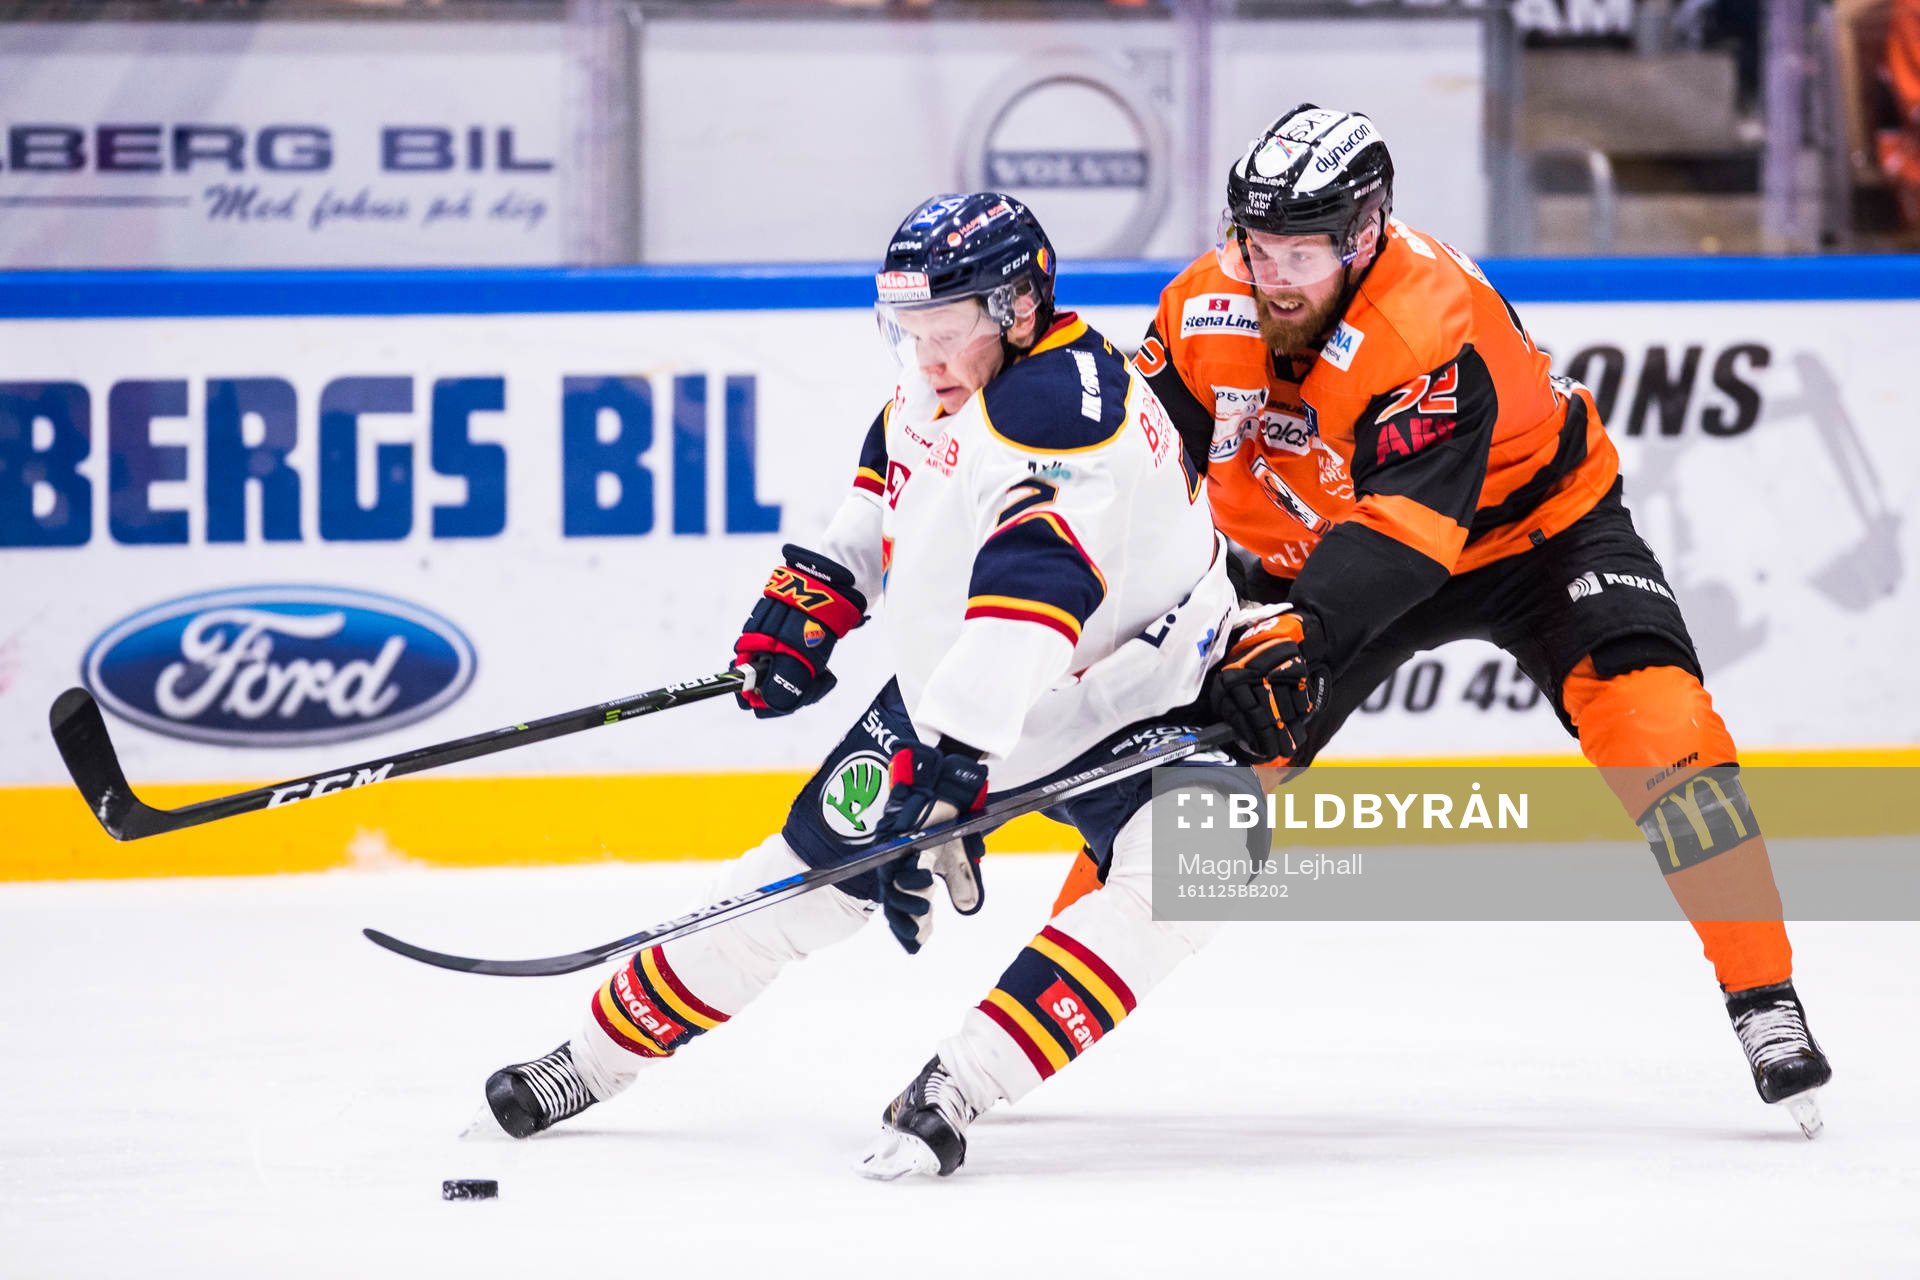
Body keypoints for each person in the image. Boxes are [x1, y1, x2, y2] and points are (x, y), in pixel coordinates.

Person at [481, 192, 1251, 1174]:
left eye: (947, 328)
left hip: (1140, 699)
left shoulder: (1061, 401)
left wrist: (955, 758)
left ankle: (961, 1082)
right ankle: (586, 1059)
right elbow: (883, 507)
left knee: (1187, 882)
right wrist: (813, 601)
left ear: (1019, 307)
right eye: (908, 328)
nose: (924, 354)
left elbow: (1041, 578)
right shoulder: (937, 385)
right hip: (964, 693)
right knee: (807, 884)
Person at [1123, 105, 1832, 1130]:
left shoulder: (1428, 317)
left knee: (1662, 732)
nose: (1271, 271)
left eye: (1301, 249)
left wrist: (1301, 630)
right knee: (1190, 786)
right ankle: (1025, 1015)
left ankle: (1765, 995)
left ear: (1363, 236)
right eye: (1256, 241)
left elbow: (1412, 536)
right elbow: (1137, 476)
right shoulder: (1203, 302)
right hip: (1331, 550)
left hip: (1537, 536)